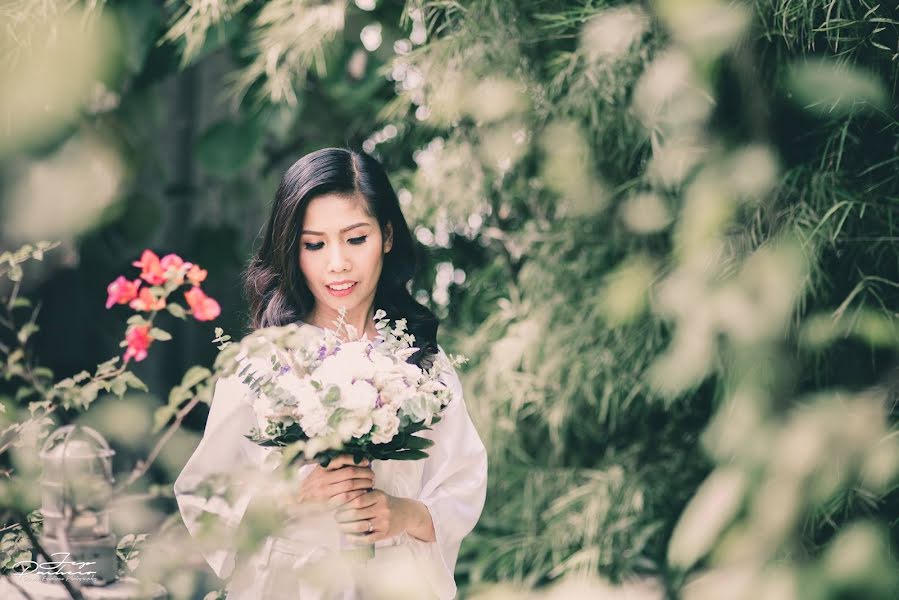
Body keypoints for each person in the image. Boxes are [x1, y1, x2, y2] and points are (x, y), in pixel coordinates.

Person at [174, 148, 488, 599]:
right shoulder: (261, 363)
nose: (337, 263)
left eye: (356, 239)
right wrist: (290, 497)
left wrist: (404, 514)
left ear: (387, 236)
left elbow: (464, 480)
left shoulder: (422, 362)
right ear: (292, 251)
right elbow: (204, 497)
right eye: (314, 244)